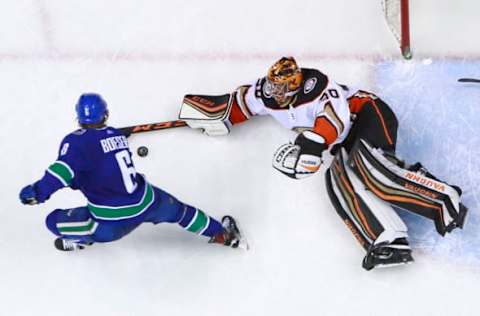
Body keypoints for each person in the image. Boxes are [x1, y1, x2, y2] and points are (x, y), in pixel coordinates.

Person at [178, 56, 468, 270]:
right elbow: (241, 103)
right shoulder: (268, 91)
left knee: (369, 169)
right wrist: (213, 115)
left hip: (368, 115)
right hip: (343, 141)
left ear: (295, 85)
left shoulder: (320, 89)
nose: (274, 93)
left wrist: (311, 144)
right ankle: (388, 239)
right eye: (272, 86)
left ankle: (442, 197)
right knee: (338, 182)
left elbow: (333, 120)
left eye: (281, 89)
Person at [19, 93, 244, 251]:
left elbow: (61, 173)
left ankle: (83, 239)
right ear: (105, 115)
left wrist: (36, 193)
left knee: (52, 221)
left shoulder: (76, 143)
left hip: (111, 223)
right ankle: (222, 235)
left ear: (78, 118)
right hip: (148, 201)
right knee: (182, 213)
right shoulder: (116, 135)